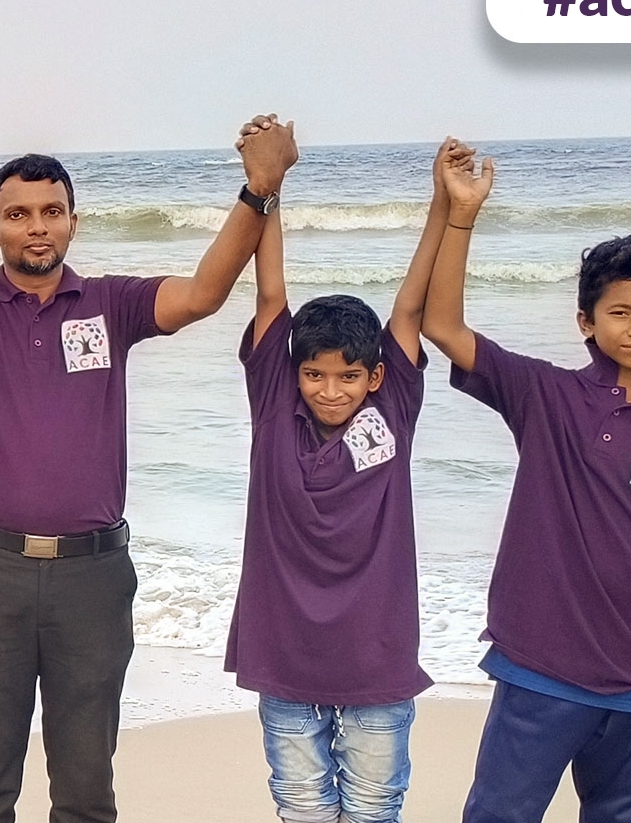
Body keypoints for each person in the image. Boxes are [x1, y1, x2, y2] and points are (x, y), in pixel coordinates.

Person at [0, 104, 296, 823]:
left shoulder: (112, 304)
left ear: (74, 222)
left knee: (85, 788)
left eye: (52, 212)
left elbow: (203, 294)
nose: (37, 226)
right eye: (18, 214)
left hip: (93, 576)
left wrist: (259, 191)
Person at [418, 148, 631, 823]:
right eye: (621, 312)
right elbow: (440, 326)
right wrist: (460, 215)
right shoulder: (545, 396)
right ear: (586, 321)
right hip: (543, 673)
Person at [225, 133, 469, 823]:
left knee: (372, 808)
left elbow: (411, 309)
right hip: (285, 652)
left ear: (376, 377)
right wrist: (269, 182)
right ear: (293, 372)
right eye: (314, 374)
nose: (330, 390)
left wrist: (444, 203)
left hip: (376, 656)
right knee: (302, 806)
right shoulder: (274, 403)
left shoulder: (393, 410)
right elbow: (270, 290)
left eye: (348, 376)